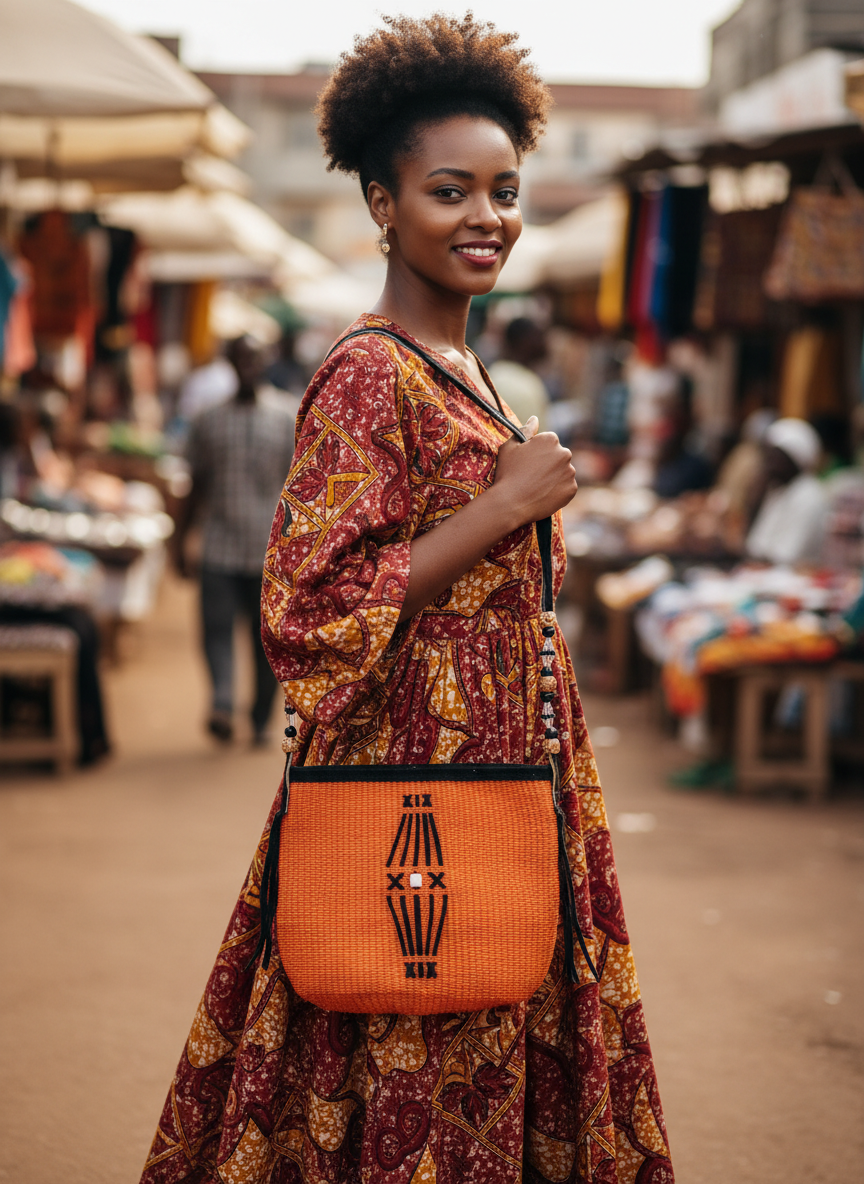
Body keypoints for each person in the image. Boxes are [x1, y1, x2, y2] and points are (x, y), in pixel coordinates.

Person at [141, 16, 673, 1183]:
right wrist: (505, 504)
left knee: (489, 1021)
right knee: (413, 1045)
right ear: (382, 204)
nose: (488, 216)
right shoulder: (368, 370)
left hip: (507, 764)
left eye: (505, 190)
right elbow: (308, 606)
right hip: (414, 792)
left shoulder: (467, 371)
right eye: (450, 190)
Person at [175, 335, 295, 744]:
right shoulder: (208, 420)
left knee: (267, 643)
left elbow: (301, 489)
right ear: (230, 362)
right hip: (219, 549)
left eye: (254, 358)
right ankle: (222, 703)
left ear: (265, 362)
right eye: (240, 359)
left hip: (270, 554)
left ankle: (259, 718)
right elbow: (194, 485)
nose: (247, 366)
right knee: (216, 631)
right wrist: (180, 541)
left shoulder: (286, 416)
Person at [746, 416, 828, 565]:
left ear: (794, 458)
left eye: (775, 456)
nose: (768, 463)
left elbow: (786, 556)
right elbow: (755, 545)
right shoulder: (777, 490)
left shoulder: (809, 495)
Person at [486, 315, 550, 429]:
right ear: (525, 342)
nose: (544, 343)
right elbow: (538, 436)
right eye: (538, 336)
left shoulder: (491, 374)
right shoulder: (528, 384)